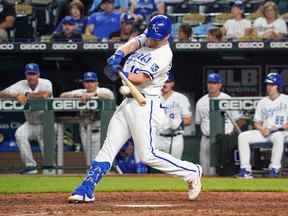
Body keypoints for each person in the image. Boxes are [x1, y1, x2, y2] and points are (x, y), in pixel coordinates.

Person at [68, 15, 202, 203]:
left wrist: (120, 71)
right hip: (127, 102)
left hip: (145, 105)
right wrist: (119, 54)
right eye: (152, 34)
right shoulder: (150, 34)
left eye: (158, 36)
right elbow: (133, 42)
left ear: (166, 36)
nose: (153, 39)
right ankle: (87, 188)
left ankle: (192, 171)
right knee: (109, 146)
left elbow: (140, 79)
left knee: (147, 155)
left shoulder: (164, 55)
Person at [0, 63, 53, 174]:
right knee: (20, 134)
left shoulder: (46, 82)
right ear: (26, 74)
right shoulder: (21, 84)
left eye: (33, 74)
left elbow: (45, 95)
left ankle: (50, 168)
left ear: (38, 74)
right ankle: (30, 166)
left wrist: (26, 95)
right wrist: (15, 95)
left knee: (47, 156)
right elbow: (1, 93)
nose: (31, 76)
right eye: (29, 74)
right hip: (30, 123)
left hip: (46, 123)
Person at [237, 73, 288, 178]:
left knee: (278, 136)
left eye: (271, 85)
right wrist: (262, 129)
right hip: (265, 132)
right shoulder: (262, 102)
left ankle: (274, 168)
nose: (268, 87)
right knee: (242, 136)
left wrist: (276, 129)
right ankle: (245, 169)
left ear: (278, 86)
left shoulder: (286, 99)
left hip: (282, 132)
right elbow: (257, 122)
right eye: (268, 85)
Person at [60, 72, 114, 165]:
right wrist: (76, 96)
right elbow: (62, 96)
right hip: (84, 131)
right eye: (87, 81)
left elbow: (109, 94)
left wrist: (93, 95)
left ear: (97, 83)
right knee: (89, 161)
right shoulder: (81, 92)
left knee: (99, 159)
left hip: (100, 131)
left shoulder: (102, 90)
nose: (89, 84)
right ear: (84, 83)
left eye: (92, 81)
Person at [195, 73, 240, 176]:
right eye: (210, 82)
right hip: (206, 138)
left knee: (222, 171)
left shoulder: (228, 99)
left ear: (220, 85)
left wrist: (231, 136)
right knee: (205, 171)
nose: (211, 85)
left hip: (223, 141)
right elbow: (198, 123)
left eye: (214, 83)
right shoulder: (201, 102)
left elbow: (238, 120)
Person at [156, 72, 192, 159]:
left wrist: (178, 125)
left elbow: (188, 119)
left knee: (174, 167)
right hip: (158, 137)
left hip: (175, 138)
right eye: (163, 81)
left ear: (172, 83)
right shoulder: (154, 97)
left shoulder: (181, 98)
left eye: (167, 82)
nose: (164, 84)